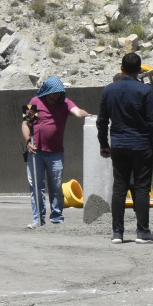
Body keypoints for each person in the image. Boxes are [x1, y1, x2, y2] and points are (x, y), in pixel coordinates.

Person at [96, 52, 153, 244]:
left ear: (122, 67)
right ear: (139, 69)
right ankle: (142, 232)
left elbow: (102, 121)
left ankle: (117, 232)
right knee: (142, 187)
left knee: (119, 187)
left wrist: (104, 144)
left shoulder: (109, 90)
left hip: (118, 144)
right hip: (141, 144)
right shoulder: (145, 91)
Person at [23, 77, 89, 228]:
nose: (55, 96)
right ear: (46, 92)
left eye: (58, 93)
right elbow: (25, 124)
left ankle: (57, 217)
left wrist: (89, 115)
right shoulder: (35, 101)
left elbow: (78, 112)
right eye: (53, 93)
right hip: (35, 152)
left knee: (56, 186)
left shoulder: (65, 103)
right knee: (36, 186)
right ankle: (38, 218)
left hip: (56, 153)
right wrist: (28, 141)